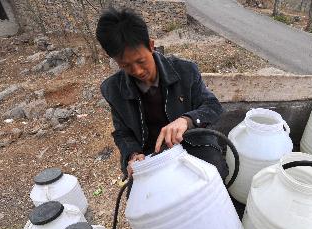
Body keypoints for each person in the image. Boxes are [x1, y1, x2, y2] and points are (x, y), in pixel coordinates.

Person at [95, 7, 228, 179]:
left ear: (151, 45)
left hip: (192, 142)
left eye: (141, 61)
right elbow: (122, 132)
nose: (137, 71)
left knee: (215, 172)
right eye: (125, 65)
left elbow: (213, 107)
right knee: (141, 199)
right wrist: (133, 154)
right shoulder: (113, 89)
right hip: (151, 153)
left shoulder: (185, 71)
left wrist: (186, 120)